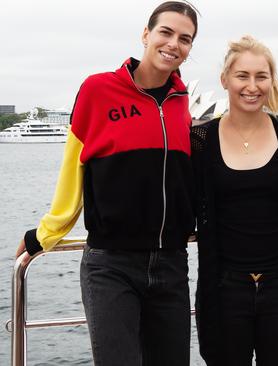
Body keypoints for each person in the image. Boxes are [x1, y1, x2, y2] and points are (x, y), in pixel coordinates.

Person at [15, 2, 198, 364]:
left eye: (185, 38)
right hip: (111, 265)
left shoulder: (182, 103)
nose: (174, 44)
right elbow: (73, 170)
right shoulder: (98, 90)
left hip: (171, 265)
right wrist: (45, 235)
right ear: (146, 34)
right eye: (166, 32)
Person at [191, 35, 278, 366]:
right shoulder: (200, 140)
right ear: (225, 79)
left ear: (272, 80)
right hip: (224, 290)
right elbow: (181, 202)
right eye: (242, 76)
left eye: (261, 76)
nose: (252, 86)